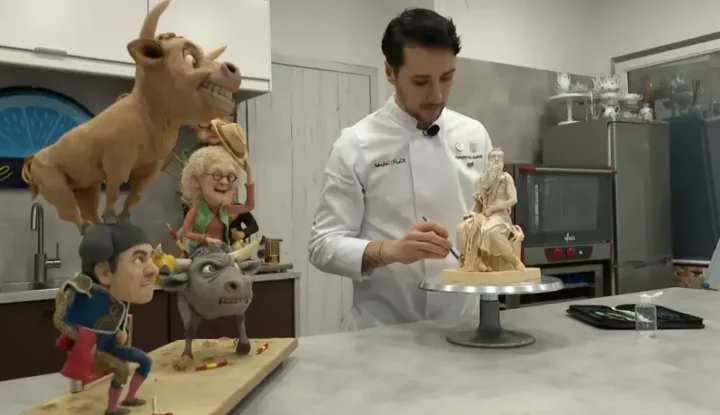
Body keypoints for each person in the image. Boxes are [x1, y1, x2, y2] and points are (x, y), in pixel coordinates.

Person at [308, 8, 493, 329]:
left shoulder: (475, 135)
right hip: (385, 332)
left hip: (466, 325)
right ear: (390, 72)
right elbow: (322, 246)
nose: (437, 95)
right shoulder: (356, 144)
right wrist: (392, 250)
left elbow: (491, 219)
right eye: (420, 81)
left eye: (446, 78)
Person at [53, 221, 159, 415]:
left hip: (110, 344)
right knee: (122, 370)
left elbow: (118, 313)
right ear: (104, 272)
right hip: (96, 348)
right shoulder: (79, 290)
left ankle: (129, 398)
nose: (154, 270)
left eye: (150, 258)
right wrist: (83, 339)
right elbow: (59, 320)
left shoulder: (120, 294)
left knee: (145, 361)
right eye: (139, 260)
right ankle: (111, 408)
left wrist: (121, 330)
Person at [180, 145, 255, 253]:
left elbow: (249, 206)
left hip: (223, 249)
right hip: (202, 250)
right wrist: (206, 239)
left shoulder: (225, 210)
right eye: (217, 175)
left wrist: (249, 172)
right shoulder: (196, 211)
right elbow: (187, 233)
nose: (224, 182)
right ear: (196, 180)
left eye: (230, 176)